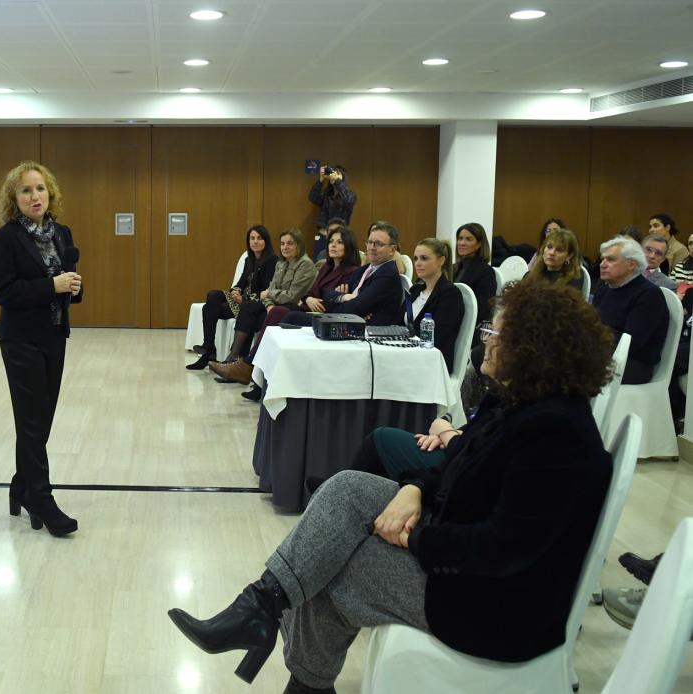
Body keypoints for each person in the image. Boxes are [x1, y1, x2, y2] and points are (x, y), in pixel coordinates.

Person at [167, 282, 614, 693]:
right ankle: (261, 607)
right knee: (347, 488)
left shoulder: (556, 435)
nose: (487, 338)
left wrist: (415, 537)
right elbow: (456, 464)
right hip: (471, 564)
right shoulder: (523, 404)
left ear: (531, 347)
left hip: (501, 609)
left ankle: (290, 662)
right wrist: (415, 489)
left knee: (334, 570)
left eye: (495, 331)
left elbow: (503, 548)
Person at [0, 161, 83, 537]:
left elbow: (66, 283)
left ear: (50, 192)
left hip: (55, 336)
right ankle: (40, 497)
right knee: (31, 422)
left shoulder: (62, 233)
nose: (34, 196)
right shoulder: (6, 238)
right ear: (15, 198)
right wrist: (52, 287)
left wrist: (74, 287)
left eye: (40, 188)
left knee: (40, 422)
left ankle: (20, 485)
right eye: (25, 190)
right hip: (20, 339)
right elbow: (3, 292)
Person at [216, 227, 361, 396]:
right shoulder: (326, 267)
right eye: (331, 241)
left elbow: (318, 298)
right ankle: (252, 375)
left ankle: (248, 366)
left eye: (339, 242)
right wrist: (308, 299)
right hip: (305, 307)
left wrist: (318, 297)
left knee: (274, 312)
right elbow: (308, 293)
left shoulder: (351, 271)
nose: (333, 245)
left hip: (324, 316)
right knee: (259, 312)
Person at [209, 228, 314, 375]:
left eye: (290, 243)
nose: (285, 247)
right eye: (283, 243)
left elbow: (291, 296)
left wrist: (270, 295)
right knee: (248, 309)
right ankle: (236, 362)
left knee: (251, 312)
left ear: (299, 245)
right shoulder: (281, 264)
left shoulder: (305, 265)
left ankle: (239, 364)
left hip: (292, 309)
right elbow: (267, 295)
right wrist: (269, 303)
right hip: (275, 307)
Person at [187, 226, 278, 370]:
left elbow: (266, 289)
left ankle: (209, 352)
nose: (255, 242)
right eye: (252, 238)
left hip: (254, 302)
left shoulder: (272, 260)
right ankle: (209, 347)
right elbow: (240, 282)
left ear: (266, 241)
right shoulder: (250, 259)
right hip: (241, 300)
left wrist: (244, 298)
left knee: (210, 307)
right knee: (212, 297)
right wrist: (236, 291)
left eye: (259, 238)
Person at [592, 236, 669, 385]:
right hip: (602, 353)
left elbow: (630, 344)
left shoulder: (649, 295)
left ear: (631, 264)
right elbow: (590, 323)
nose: (603, 264)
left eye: (611, 260)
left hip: (633, 365)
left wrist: (590, 336)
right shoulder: (605, 287)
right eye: (603, 259)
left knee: (569, 366)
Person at [404, 238, 464, 373]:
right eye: (416, 259)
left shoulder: (450, 294)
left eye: (424, 258)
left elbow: (438, 338)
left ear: (441, 261)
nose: (418, 264)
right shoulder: (416, 289)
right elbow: (397, 322)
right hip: (410, 354)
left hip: (431, 363)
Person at [453, 223, 497, 326]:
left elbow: (483, 310)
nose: (462, 243)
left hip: (468, 326)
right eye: (460, 238)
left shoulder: (486, 272)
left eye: (468, 239)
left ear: (479, 244)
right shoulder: (454, 268)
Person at [308, 165, 357, 257]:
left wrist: (337, 181)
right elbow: (313, 197)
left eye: (338, 173)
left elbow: (349, 200)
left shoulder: (350, 195)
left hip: (339, 237)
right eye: (333, 172)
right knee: (318, 262)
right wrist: (321, 180)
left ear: (343, 178)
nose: (333, 175)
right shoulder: (327, 196)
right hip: (322, 236)